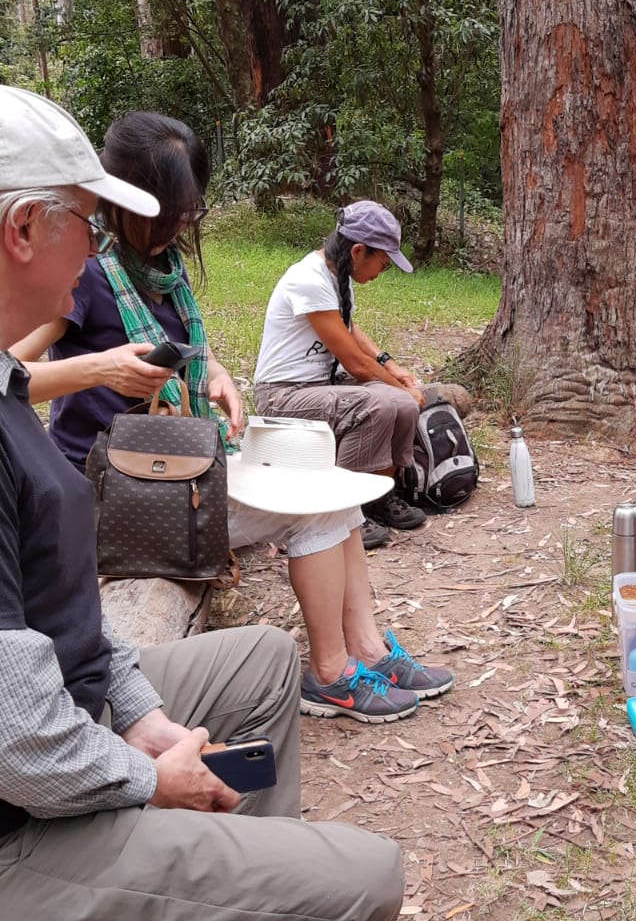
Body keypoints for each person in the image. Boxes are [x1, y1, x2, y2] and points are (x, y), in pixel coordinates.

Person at [0, 83, 405, 921]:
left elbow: (58, 624)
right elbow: (16, 739)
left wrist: (138, 714)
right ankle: (209, 913)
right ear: (24, 228)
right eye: (86, 224)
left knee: (262, 662)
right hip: (17, 826)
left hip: (58, 710)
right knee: (365, 881)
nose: (96, 247)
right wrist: (150, 778)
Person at [11, 112, 453, 723]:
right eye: (173, 212)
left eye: (190, 211)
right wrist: (99, 370)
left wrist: (215, 375)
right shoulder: (82, 277)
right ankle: (330, 674)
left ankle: (368, 649)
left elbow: (196, 344)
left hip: (182, 469)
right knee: (314, 510)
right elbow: (8, 376)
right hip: (123, 493)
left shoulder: (163, 270)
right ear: (133, 201)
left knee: (335, 494)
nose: (183, 225)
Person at [252, 201, 434, 532]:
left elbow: (348, 330)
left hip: (319, 384)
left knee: (403, 407)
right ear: (358, 251)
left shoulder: (339, 274)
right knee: (377, 404)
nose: (382, 271)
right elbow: (354, 363)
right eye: (384, 262)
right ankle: (341, 512)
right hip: (282, 394)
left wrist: (390, 366)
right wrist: (400, 387)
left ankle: (378, 499)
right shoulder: (308, 279)